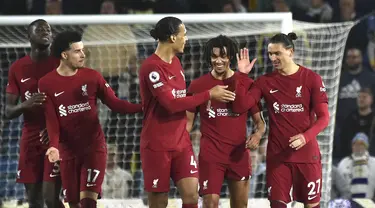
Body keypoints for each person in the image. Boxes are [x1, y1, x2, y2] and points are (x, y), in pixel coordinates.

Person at [139, 17, 236, 208]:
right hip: (157, 145)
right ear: (173, 37)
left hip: (181, 143)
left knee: (192, 197)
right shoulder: (151, 67)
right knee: (159, 203)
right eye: (184, 34)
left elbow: (183, 100)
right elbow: (172, 104)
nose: (187, 39)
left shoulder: (176, 62)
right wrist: (208, 94)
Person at [38, 30, 142, 208]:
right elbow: (52, 121)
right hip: (67, 150)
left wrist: (143, 107)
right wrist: (54, 146)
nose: (83, 54)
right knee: (72, 203)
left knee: (87, 202)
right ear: (64, 54)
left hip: (93, 148)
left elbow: (115, 104)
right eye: (77, 51)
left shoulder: (93, 76)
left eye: (83, 50)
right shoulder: (46, 83)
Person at [232, 32, 329, 208]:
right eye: (270, 54)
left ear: (290, 52)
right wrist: (242, 76)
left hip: (307, 156)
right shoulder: (265, 82)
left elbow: (324, 118)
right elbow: (240, 106)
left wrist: (305, 137)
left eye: (277, 53)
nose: (273, 58)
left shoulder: (311, 79)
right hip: (278, 156)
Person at [186, 35, 266, 208]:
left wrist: (257, 135)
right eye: (214, 56)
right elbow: (187, 124)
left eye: (223, 56)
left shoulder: (247, 83)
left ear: (231, 57)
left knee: (240, 205)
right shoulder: (197, 86)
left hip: (239, 154)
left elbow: (260, 122)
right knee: (209, 203)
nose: (219, 61)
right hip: (211, 154)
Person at [5, 19, 64, 208]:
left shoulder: (61, 63)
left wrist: (57, 128)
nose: (45, 32)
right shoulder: (17, 68)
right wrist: (25, 105)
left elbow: (78, 103)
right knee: (34, 201)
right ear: (28, 36)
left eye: (48, 29)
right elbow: (8, 111)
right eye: (40, 29)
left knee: (51, 198)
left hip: (57, 138)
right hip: (30, 139)